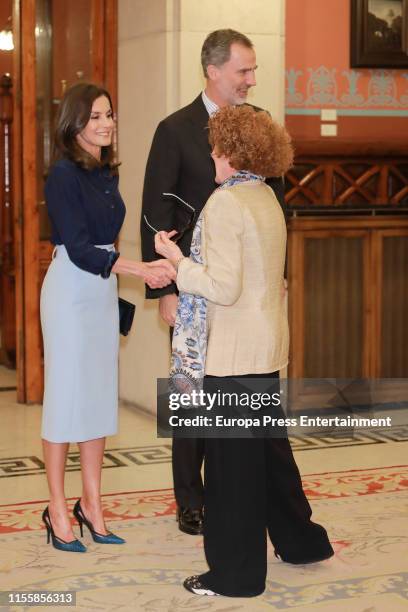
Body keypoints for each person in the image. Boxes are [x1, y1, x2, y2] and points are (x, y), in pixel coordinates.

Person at [155, 105, 334, 597]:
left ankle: (235, 575)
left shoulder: (226, 203)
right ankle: (303, 543)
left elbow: (223, 286)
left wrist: (177, 263)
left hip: (233, 354)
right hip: (265, 347)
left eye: (216, 145)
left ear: (232, 152)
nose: (211, 153)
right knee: (269, 456)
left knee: (232, 473)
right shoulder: (264, 196)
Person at [141, 28, 286, 536]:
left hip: (244, 295)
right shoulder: (175, 128)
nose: (251, 79)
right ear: (214, 70)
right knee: (192, 393)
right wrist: (165, 289)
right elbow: (155, 211)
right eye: (243, 70)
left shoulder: (262, 125)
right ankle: (191, 499)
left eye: (253, 70)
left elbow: (277, 207)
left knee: (246, 396)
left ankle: (250, 494)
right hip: (195, 288)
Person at [40, 82, 175, 553]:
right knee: (64, 399)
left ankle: (92, 504)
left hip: (101, 289)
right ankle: (57, 507)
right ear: (73, 123)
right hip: (70, 289)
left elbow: (106, 243)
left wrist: (148, 257)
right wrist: (138, 269)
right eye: (95, 116)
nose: (106, 123)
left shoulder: (105, 173)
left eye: (109, 115)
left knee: (97, 397)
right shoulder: (62, 174)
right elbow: (77, 248)